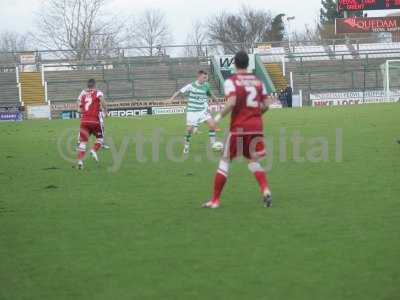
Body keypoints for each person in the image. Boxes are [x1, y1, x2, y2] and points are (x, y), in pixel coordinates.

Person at [203, 51, 272, 209]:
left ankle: (215, 200)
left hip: (239, 128)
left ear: (234, 64)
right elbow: (267, 104)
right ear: (248, 64)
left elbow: (232, 101)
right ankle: (265, 189)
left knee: (225, 159)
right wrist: (255, 115)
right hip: (256, 127)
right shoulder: (258, 81)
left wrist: (217, 118)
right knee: (252, 160)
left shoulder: (232, 81)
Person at [169, 70, 219, 154]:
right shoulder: (191, 86)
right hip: (192, 111)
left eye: (206, 77)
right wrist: (171, 99)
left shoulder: (206, 85)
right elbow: (179, 91)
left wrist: (217, 101)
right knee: (189, 130)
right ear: (199, 77)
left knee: (212, 124)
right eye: (204, 77)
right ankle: (186, 145)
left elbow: (210, 94)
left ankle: (213, 144)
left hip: (202, 110)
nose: (205, 79)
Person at [76, 79, 107, 170]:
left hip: (84, 121)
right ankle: (93, 150)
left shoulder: (83, 93)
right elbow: (103, 101)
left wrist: (80, 109)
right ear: (94, 85)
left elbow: (78, 105)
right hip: (94, 121)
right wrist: (106, 111)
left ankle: (80, 161)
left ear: (87, 85)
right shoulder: (98, 92)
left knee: (83, 142)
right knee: (100, 139)